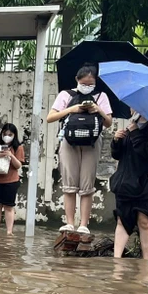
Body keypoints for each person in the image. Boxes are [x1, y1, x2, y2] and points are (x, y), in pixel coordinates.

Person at [46, 64, 112, 234]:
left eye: (91, 84)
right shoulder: (66, 95)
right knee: (69, 183)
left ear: (96, 82)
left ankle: (83, 224)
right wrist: (72, 109)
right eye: (84, 83)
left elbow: (108, 122)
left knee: (87, 184)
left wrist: (98, 109)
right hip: (69, 142)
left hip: (92, 143)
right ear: (77, 80)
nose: (87, 86)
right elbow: (50, 117)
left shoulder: (101, 96)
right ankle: (69, 222)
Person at [110, 112, 148, 260]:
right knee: (122, 220)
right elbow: (118, 154)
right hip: (125, 181)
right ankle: (117, 260)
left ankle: (146, 261)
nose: (133, 109)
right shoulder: (131, 125)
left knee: (145, 221)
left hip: (146, 184)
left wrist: (136, 132)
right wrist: (116, 141)